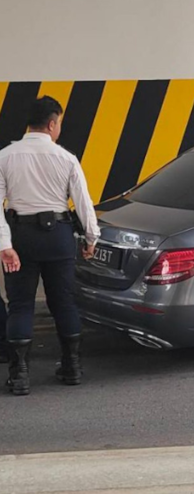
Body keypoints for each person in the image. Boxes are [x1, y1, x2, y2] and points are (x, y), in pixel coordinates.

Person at [0, 96, 101, 396]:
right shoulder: (66, 158)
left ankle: (20, 375)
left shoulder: (5, 156)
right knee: (63, 302)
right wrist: (92, 238)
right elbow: (83, 202)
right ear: (52, 123)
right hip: (58, 236)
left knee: (20, 305)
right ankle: (72, 368)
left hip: (21, 239)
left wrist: (5, 245)